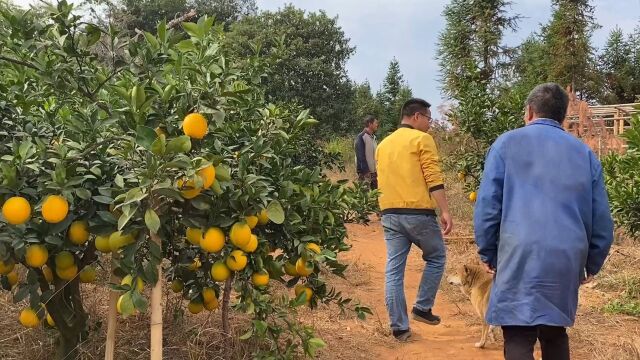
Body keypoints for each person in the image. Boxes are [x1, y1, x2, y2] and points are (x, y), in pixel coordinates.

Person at [474, 83, 614, 360]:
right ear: (562, 116)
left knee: (517, 331)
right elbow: (602, 221)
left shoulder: (506, 144)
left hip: (518, 251)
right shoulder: (584, 153)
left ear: (529, 111)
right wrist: (591, 263)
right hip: (565, 256)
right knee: (553, 331)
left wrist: (488, 252)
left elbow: (488, 206)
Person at [375, 98, 453, 341]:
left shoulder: (383, 144)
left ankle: (399, 327)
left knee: (394, 270)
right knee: (437, 256)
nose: (430, 124)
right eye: (429, 119)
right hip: (418, 213)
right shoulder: (422, 139)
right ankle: (422, 307)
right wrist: (445, 211)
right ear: (417, 117)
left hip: (389, 214)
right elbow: (433, 176)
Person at [354, 115, 379, 189]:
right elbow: (360, 157)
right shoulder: (361, 137)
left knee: (376, 197)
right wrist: (366, 172)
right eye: (375, 123)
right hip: (365, 173)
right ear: (370, 124)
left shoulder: (374, 137)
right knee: (364, 197)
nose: (377, 125)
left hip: (374, 173)